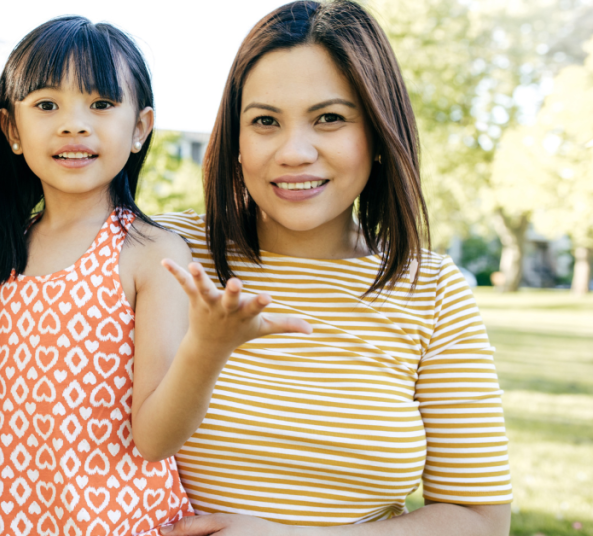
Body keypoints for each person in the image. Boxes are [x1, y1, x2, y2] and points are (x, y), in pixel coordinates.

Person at [153, 2, 513, 534]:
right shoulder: (163, 253)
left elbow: (480, 519)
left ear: (379, 134)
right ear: (235, 140)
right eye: (265, 122)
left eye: (330, 118)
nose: (294, 152)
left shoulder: (435, 291)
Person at [0, 16, 309, 535]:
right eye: (47, 105)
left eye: (100, 104)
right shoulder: (9, 246)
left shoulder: (150, 254)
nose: (74, 124)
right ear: (11, 129)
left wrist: (208, 348)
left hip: (116, 520)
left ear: (140, 128)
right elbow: (31, 383)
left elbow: (155, 438)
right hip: (11, 516)